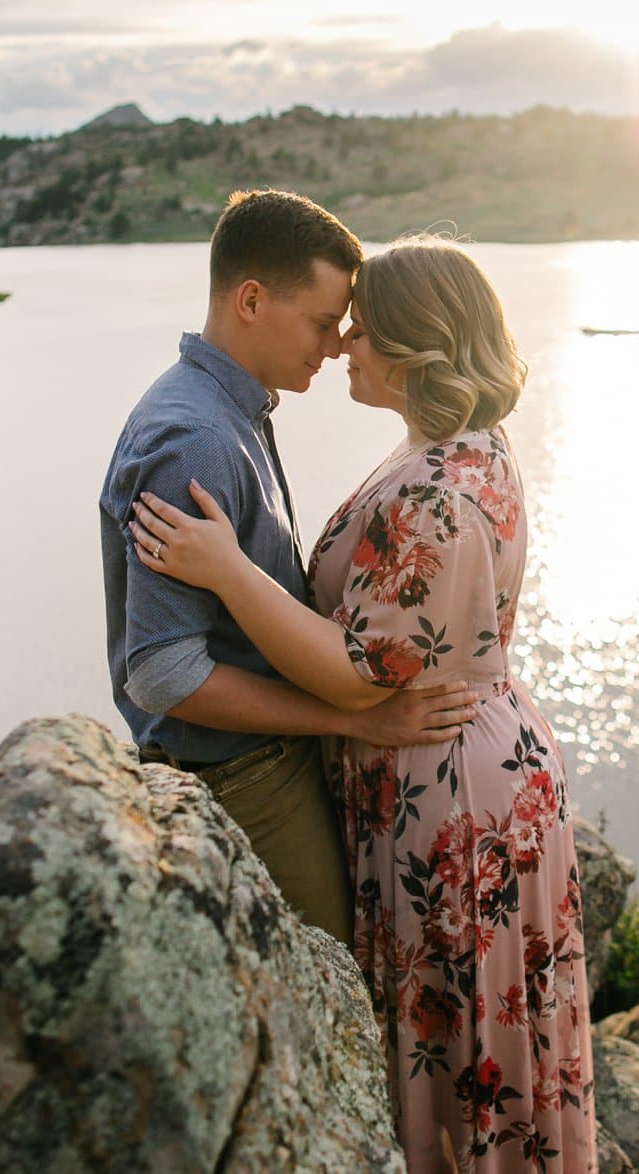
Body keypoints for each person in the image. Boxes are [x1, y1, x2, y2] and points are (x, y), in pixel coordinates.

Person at [130, 236, 596, 1171]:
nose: (344, 345)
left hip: (447, 792)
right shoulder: (457, 446)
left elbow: (354, 674)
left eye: (364, 332)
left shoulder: (436, 489)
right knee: (477, 1033)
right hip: (464, 757)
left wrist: (225, 572)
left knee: (456, 1039)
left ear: (417, 347)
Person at [100, 191, 478, 944]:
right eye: (321, 321)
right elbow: (163, 674)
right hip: (245, 782)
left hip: (268, 766)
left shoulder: (230, 411)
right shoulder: (195, 440)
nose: (337, 345)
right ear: (250, 300)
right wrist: (353, 715)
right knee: (327, 984)